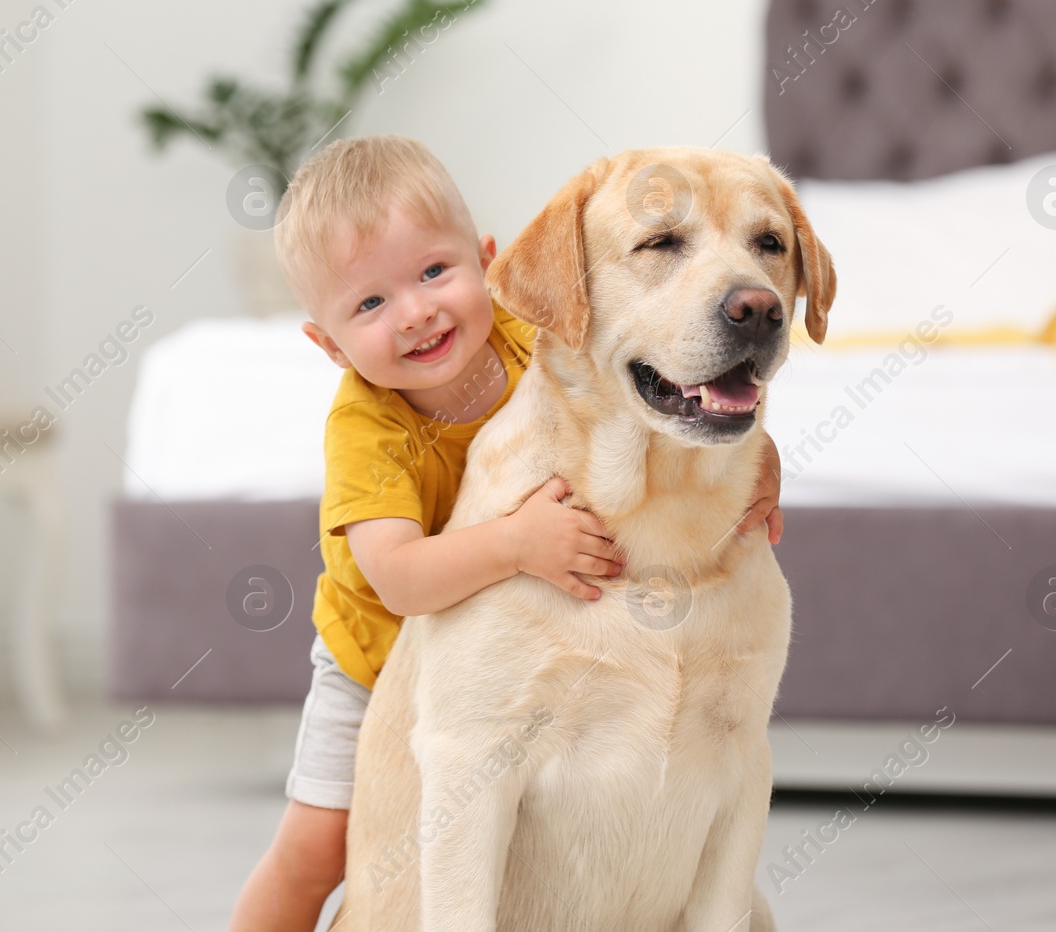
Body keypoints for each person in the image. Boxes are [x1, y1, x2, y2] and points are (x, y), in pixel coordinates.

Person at [227, 136, 783, 930]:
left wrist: (757, 459)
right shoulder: (366, 430)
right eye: (370, 304)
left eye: (433, 273)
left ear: (489, 266)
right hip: (374, 647)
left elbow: (646, 369)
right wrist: (520, 543)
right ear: (329, 343)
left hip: (489, 599)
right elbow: (400, 579)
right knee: (315, 848)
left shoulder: (534, 340)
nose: (417, 312)